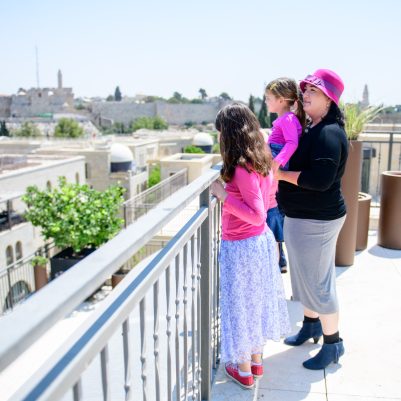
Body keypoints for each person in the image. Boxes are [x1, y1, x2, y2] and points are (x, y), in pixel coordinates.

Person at [211, 103, 290, 389]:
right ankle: (255, 363)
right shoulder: (261, 161)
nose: (218, 138)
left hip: (242, 246)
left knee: (240, 307)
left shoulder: (242, 168)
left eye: (220, 132)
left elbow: (257, 213)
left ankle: (243, 370)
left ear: (230, 133)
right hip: (258, 243)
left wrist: (223, 196)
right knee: (253, 304)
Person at [275, 69, 348, 370]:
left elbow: (319, 180)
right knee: (303, 278)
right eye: (305, 90)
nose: (305, 95)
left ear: (330, 99)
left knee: (319, 284)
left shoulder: (329, 133)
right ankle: (310, 325)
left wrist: (278, 174)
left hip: (318, 221)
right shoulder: (311, 128)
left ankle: (334, 344)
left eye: (313, 91)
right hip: (302, 217)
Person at [265, 78, 306, 273]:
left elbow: (291, 143)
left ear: (281, 100)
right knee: (271, 207)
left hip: (275, 164)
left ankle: (278, 258)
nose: (266, 102)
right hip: (274, 161)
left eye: (269, 98)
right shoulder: (286, 119)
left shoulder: (287, 119)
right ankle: (279, 258)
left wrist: (276, 163)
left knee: (270, 206)